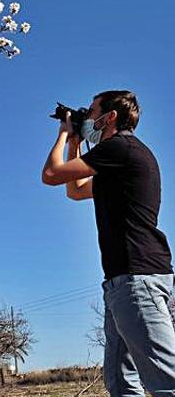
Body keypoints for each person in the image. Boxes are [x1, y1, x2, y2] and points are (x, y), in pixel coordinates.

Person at [42, 90, 175, 396]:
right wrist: (76, 141)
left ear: (109, 117)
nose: (87, 118)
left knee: (166, 384)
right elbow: (75, 189)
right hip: (122, 281)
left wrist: (64, 135)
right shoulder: (115, 160)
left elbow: (51, 174)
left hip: (137, 276)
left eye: (91, 112)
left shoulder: (121, 148)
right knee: (121, 381)